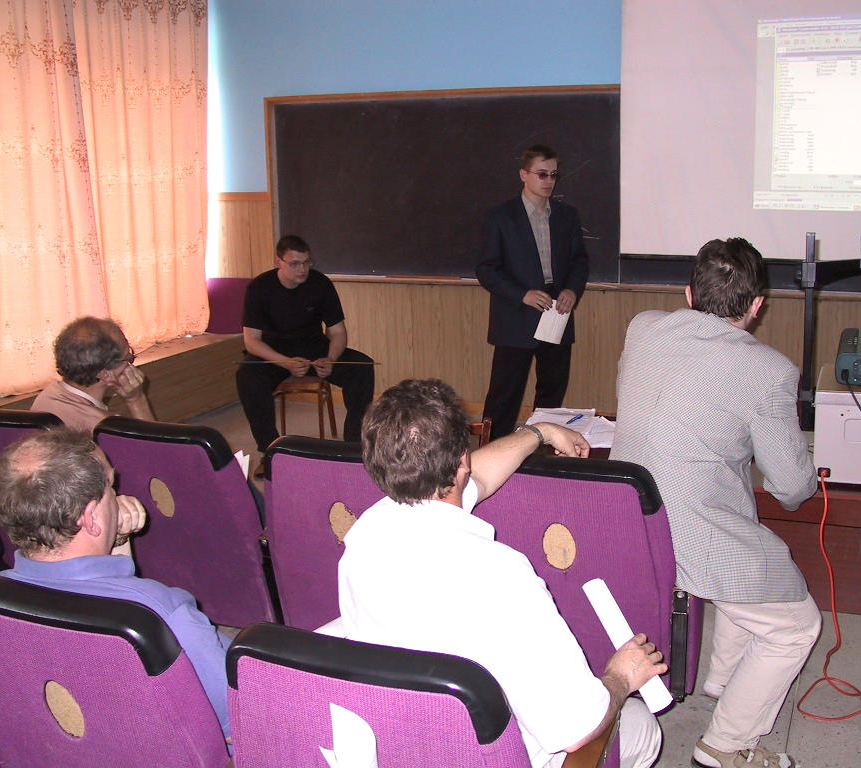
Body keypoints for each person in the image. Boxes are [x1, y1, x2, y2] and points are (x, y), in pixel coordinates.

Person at [338, 378, 666, 768]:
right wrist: (621, 676)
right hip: (495, 755)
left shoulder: (364, 537)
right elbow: (578, 727)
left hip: (399, 745)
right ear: (462, 459)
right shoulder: (502, 575)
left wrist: (539, 432)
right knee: (641, 726)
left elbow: (478, 477)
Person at [610, 238, 821, 768]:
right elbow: (792, 488)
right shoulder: (769, 370)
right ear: (757, 306)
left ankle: (723, 682)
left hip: (626, 519)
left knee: (747, 546)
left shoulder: (644, 327)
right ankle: (725, 745)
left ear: (688, 294)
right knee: (796, 625)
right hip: (689, 533)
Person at [0, 429, 231, 744]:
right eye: (111, 488)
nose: (119, 500)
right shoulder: (164, 614)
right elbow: (234, 718)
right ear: (90, 517)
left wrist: (115, 541)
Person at [476, 144, 589, 440]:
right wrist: (521, 294)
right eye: (542, 174)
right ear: (523, 174)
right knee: (505, 393)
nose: (549, 180)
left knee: (552, 391)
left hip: (557, 310)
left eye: (553, 174)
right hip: (517, 313)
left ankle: (544, 450)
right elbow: (486, 269)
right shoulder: (501, 217)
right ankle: (492, 450)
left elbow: (579, 261)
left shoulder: (567, 216)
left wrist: (572, 290)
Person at [237, 235, 374, 457]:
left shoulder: (321, 284)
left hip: (314, 348)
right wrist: (285, 362)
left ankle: (353, 446)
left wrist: (331, 359)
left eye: (307, 262)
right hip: (274, 353)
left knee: (362, 367)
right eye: (295, 264)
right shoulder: (259, 288)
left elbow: (338, 332)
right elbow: (251, 341)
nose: (302, 269)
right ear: (278, 262)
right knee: (247, 377)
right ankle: (270, 450)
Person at [31, 316, 155, 432]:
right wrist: (136, 399)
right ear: (106, 374)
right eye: (128, 358)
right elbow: (155, 447)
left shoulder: (45, 397)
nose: (131, 364)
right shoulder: (105, 428)